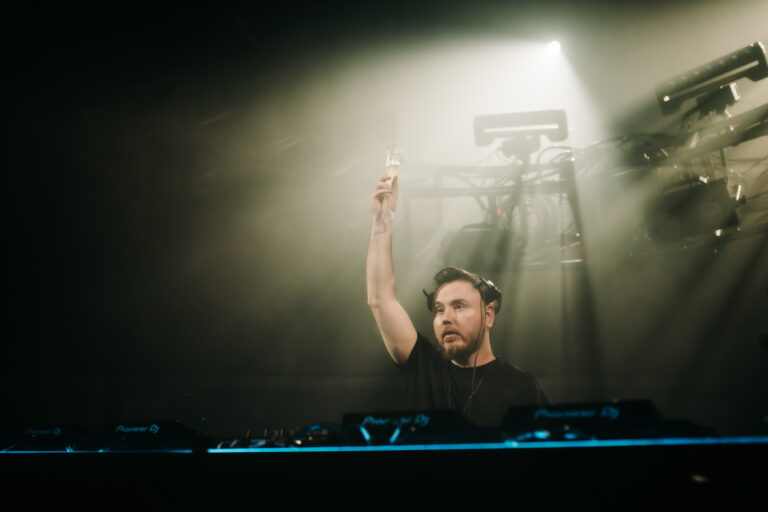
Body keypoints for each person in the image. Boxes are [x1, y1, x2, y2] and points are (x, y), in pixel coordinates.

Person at [366, 173, 550, 427]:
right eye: (439, 310)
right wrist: (382, 218)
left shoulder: (522, 387)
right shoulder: (426, 368)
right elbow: (380, 300)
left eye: (459, 306)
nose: (445, 318)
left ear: (488, 315)